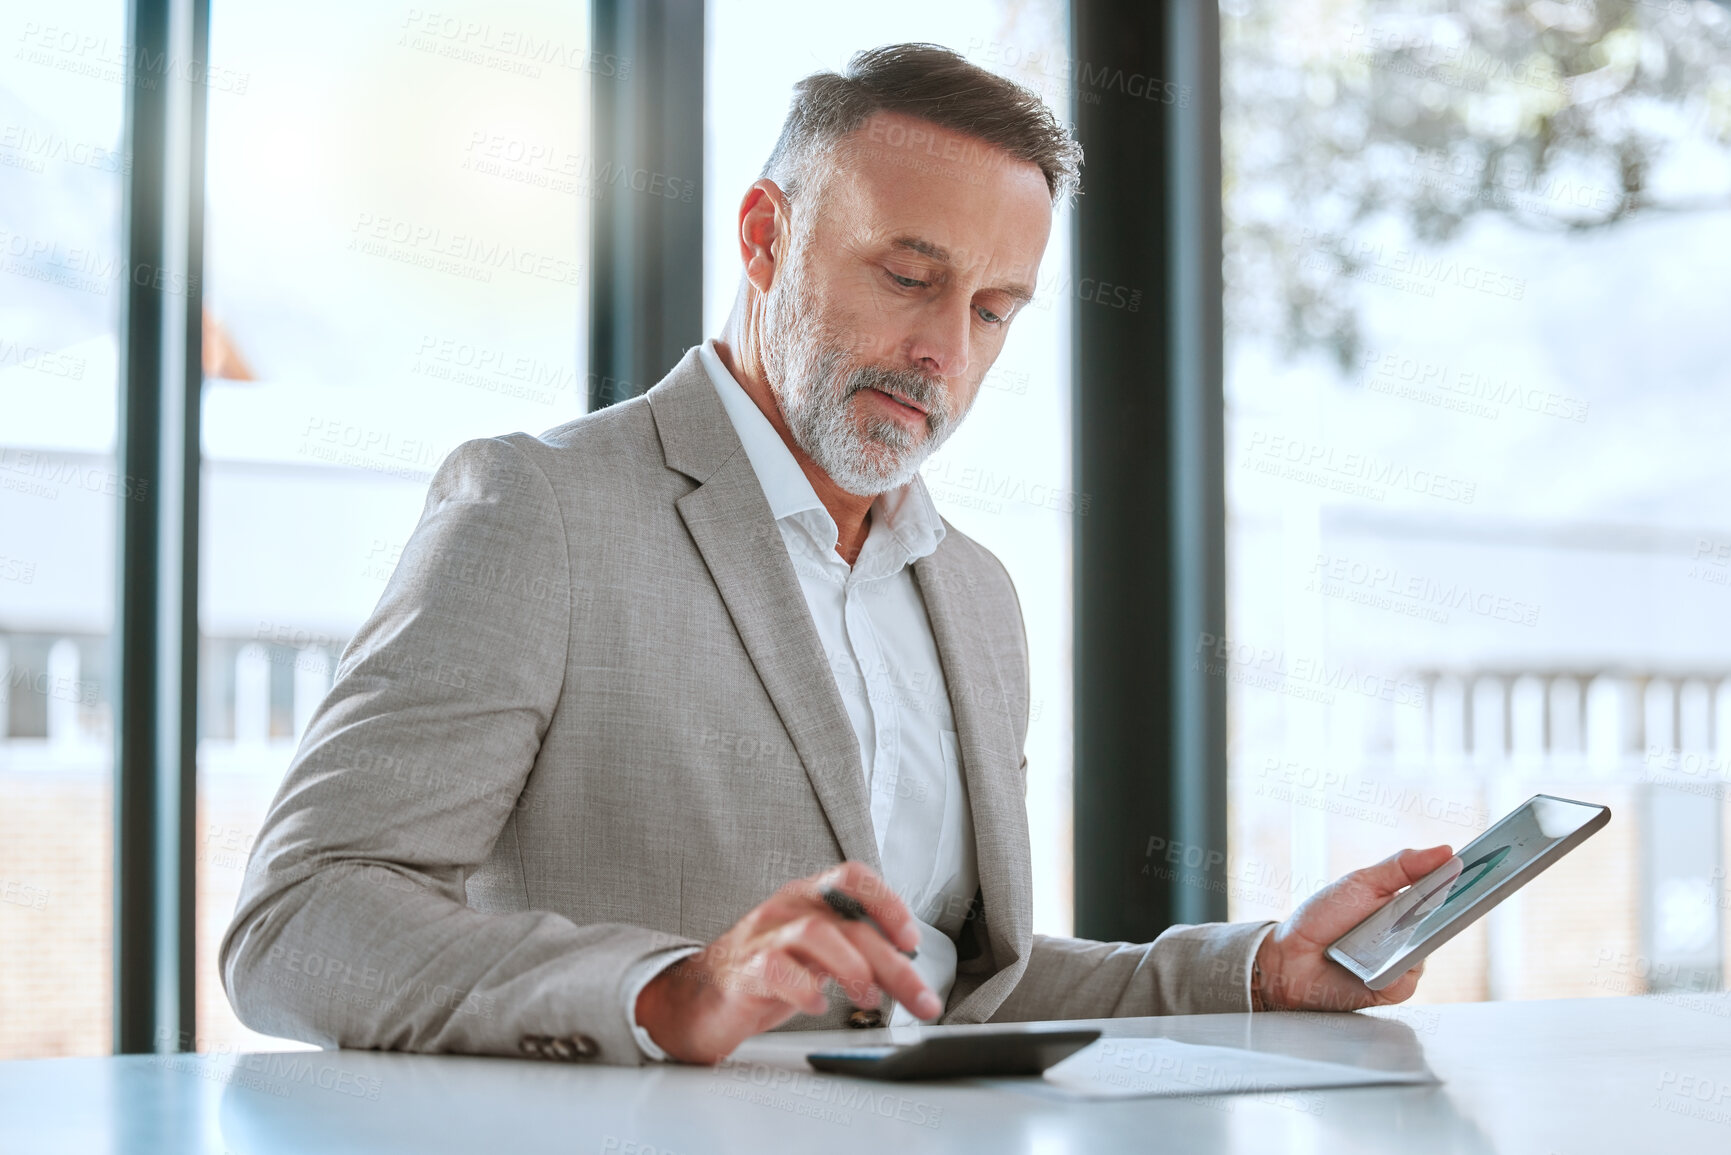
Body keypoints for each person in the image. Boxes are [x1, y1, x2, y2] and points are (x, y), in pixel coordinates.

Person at [222, 42, 1451, 1068]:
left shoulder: (973, 594)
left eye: (990, 312)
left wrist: (1260, 969)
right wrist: (664, 991)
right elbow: (298, 923)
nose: (944, 354)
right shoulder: (538, 507)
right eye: (908, 277)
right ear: (764, 237)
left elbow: (955, 987)